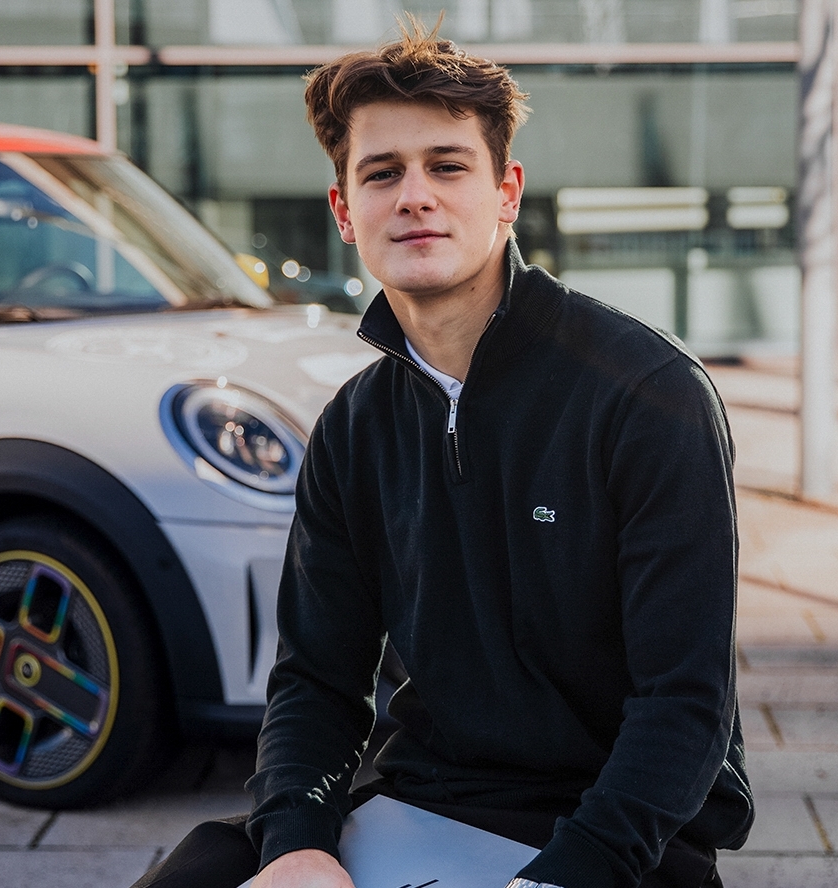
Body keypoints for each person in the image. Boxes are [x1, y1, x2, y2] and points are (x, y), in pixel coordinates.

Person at [132, 19, 753, 888]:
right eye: (381, 173)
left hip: (622, 827)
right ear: (345, 211)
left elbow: (684, 704)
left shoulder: (648, 394)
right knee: (201, 871)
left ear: (506, 192)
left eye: (446, 166)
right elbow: (315, 678)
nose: (414, 195)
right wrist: (297, 843)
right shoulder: (354, 425)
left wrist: (567, 874)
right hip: (428, 796)